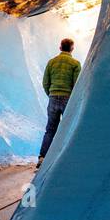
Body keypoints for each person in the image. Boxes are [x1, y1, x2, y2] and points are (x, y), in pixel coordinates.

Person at [38, 37, 81, 166]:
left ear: (60, 48)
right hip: (67, 98)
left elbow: (45, 82)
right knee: (68, 128)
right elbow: (76, 84)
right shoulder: (75, 64)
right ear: (72, 49)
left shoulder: (52, 62)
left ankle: (42, 158)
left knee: (50, 129)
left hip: (53, 97)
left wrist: (51, 94)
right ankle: (65, 159)